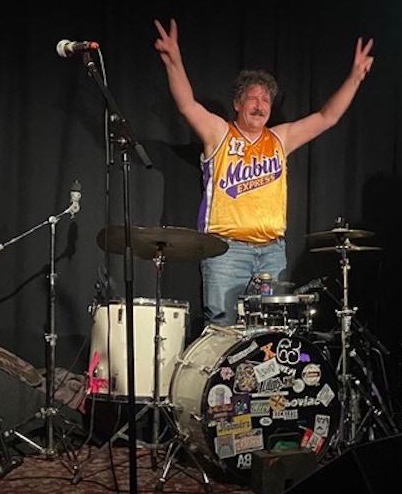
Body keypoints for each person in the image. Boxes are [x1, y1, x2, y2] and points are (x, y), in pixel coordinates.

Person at [154, 17, 375, 328]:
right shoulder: (219, 133)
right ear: (237, 103)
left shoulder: (280, 138)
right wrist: (174, 62)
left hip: (272, 252)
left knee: (270, 333)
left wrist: (354, 78)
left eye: (266, 100)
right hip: (226, 251)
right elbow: (187, 105)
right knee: (223, 329)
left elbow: (327, 117)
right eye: (253, 98)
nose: (260, 105)